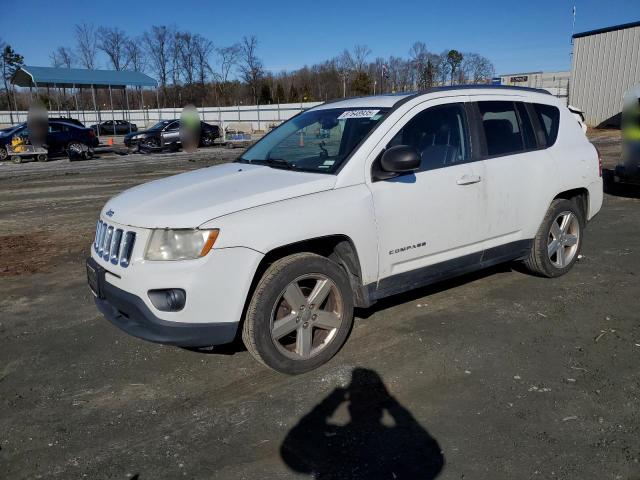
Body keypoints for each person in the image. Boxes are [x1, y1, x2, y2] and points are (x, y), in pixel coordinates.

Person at [281, 368, 444, 479]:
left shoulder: (334, 442)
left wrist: (335, 398)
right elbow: (424, 445)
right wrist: (391, 403)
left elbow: (299, 435)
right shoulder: (390, 441)